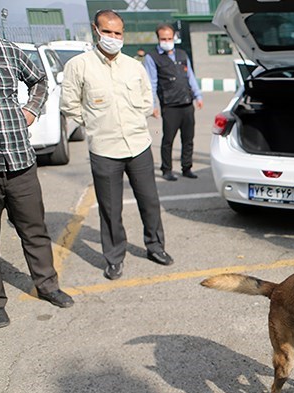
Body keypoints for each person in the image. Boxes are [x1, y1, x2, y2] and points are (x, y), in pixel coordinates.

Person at [61, 9, 174, 281]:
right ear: (96, 30)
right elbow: (69, 105)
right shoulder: (79, 66)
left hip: (138, 146)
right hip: (104, 149)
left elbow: (147, 101)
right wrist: (94, 124)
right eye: (108, 32)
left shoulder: (134, 66)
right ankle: (114, 258)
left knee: (149, 201)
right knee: (110, 209)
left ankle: (155, 247)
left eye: (118, 33)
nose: (113, 37)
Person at [0, 37, 74, 328]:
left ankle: (48, 286)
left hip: (20, 163)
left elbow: (39, 79)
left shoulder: (7, 49)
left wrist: (31, 110)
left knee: (34, 230)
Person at [143, 23, 204, 181]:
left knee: (188, 138)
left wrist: (198, 96)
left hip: (187, 103)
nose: (167, 41)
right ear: (158, 38)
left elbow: (190, 76)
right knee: (168, 140)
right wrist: (153, 105)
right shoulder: (152, 58)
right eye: (163, 38)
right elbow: (152, 83)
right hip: (170, 106)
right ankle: (167, 169)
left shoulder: (182, 54)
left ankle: (187, 167)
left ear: (174, 37)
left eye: (169, 38)